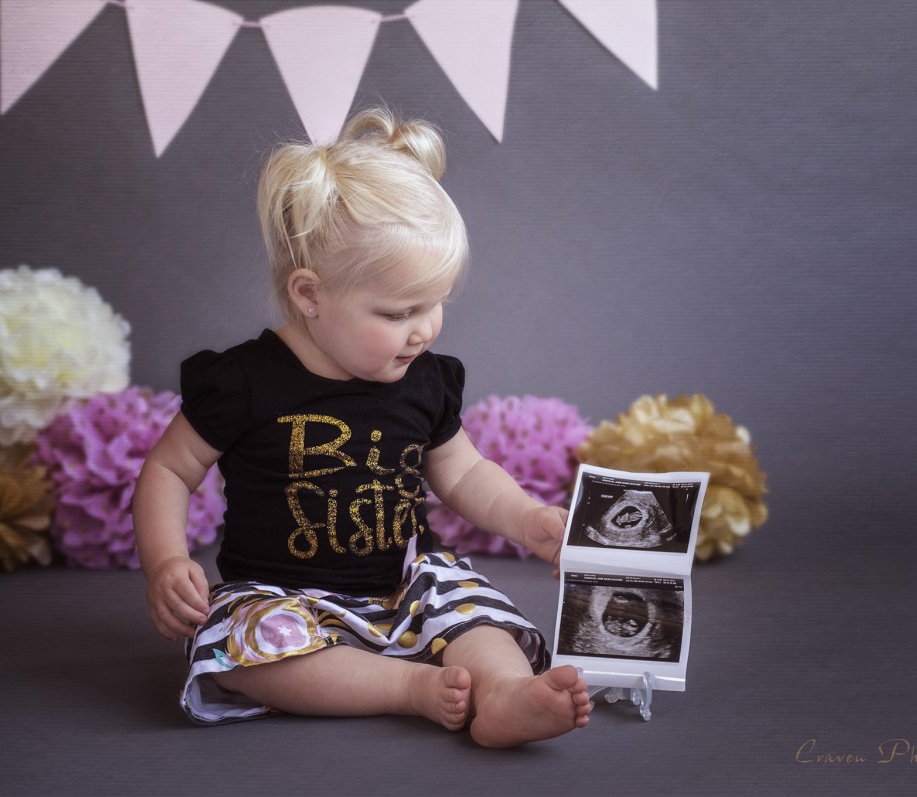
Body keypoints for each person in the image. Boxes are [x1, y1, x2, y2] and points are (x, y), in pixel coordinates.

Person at [133, 107, 592, 748]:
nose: (424, 329)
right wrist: (165, 560)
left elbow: (464, 473)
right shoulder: (243, 381)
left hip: (407, 586)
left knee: (475, 613)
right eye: (399, 312)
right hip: (281, 596)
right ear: (310, 294)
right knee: (243, 648)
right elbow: (169, 469)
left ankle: (505, 695)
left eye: (436, 304)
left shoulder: (424, 380)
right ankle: (408, 687)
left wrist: (527, 519)